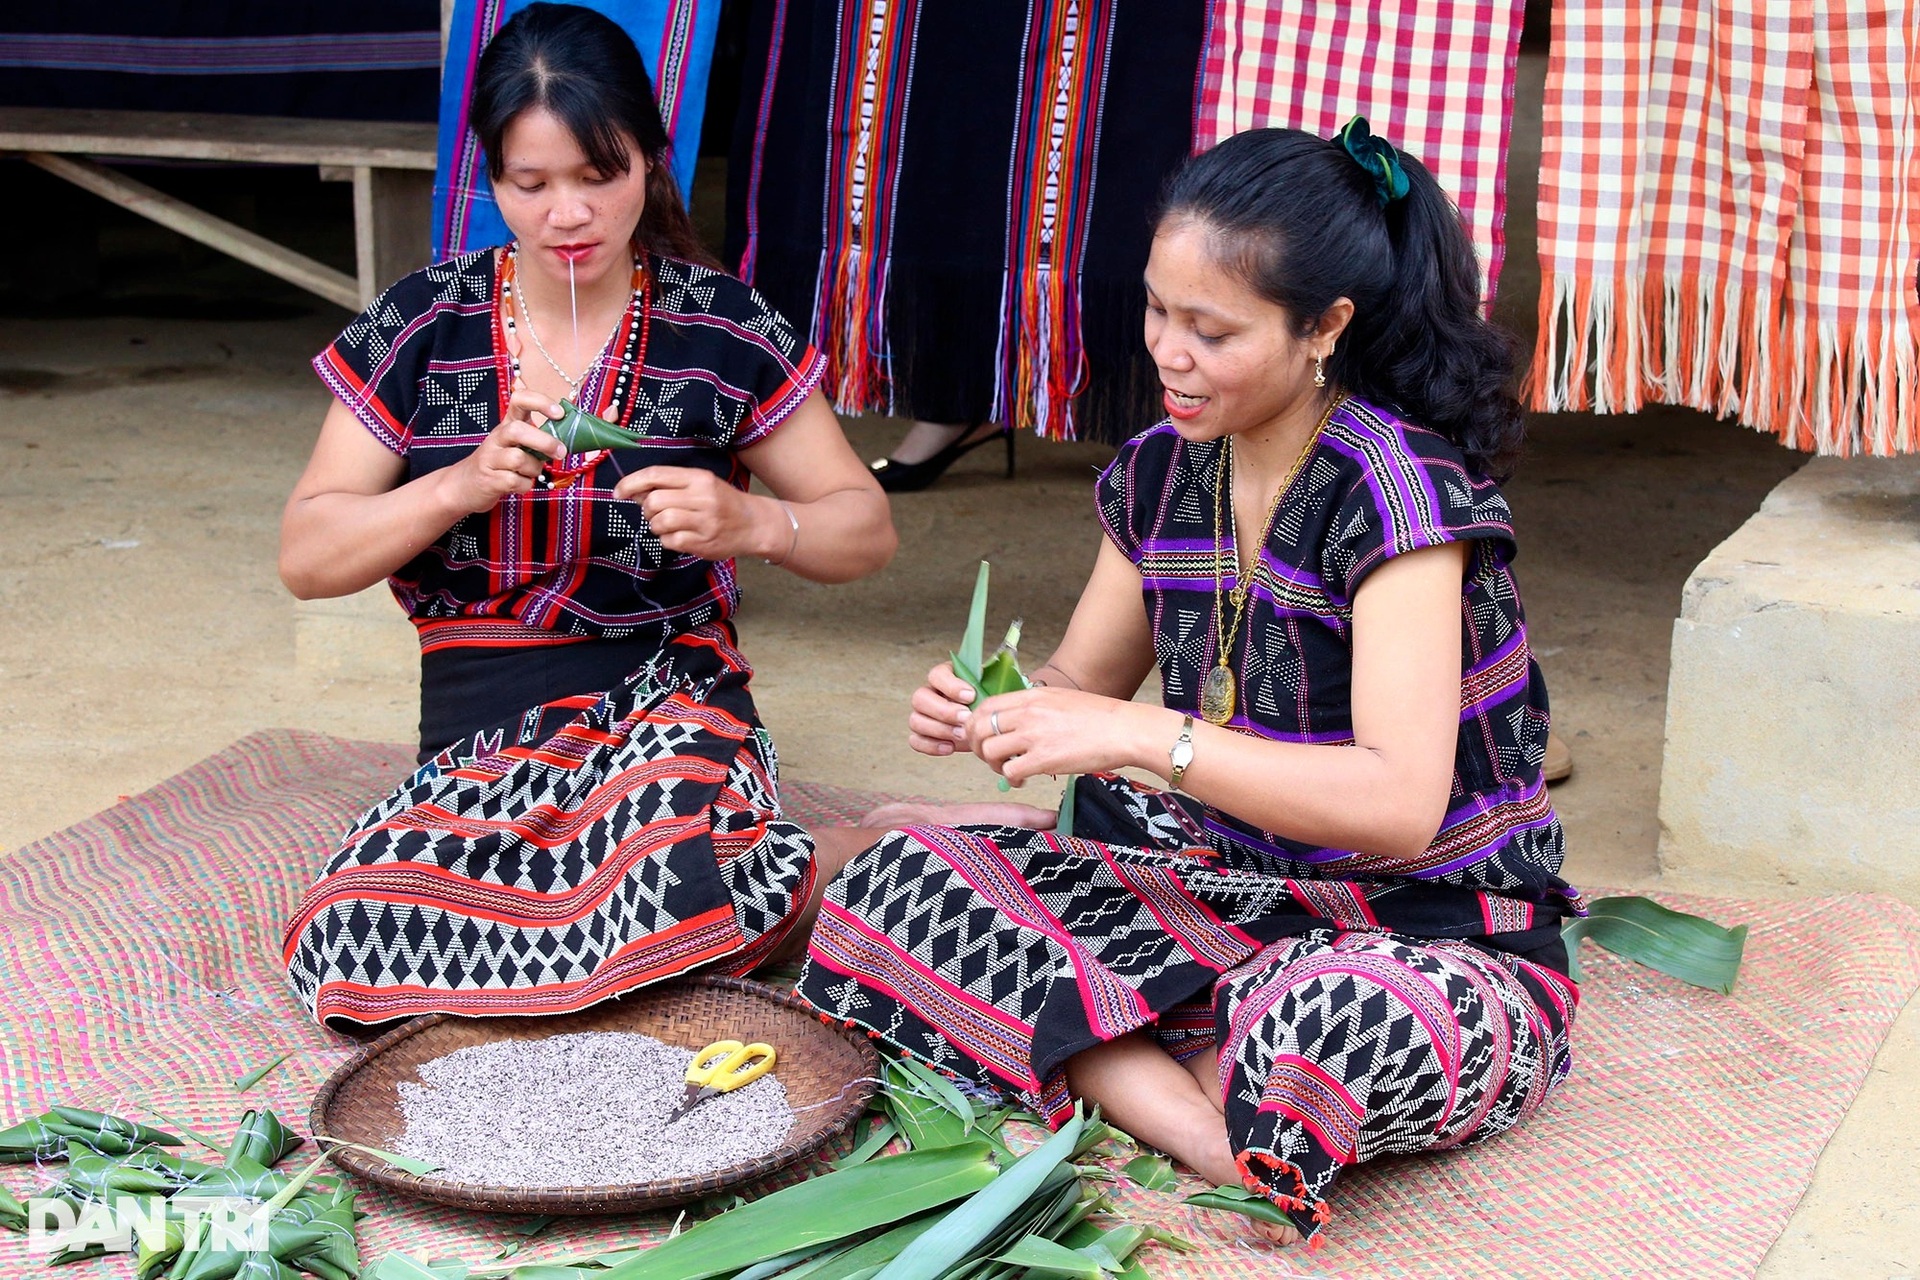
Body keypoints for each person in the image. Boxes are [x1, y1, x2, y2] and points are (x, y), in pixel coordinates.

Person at [795, 121, 1583, 1247]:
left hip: (1434, 925)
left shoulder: (1403, 497)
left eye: (1212, 330)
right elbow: (1079, 677)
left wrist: (1134, 732)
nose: (1169, 351)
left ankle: (1177, 1040)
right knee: (900, 879)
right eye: (1160, 311)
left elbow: (1400, 806)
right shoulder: (1165, 469)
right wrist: (995, 704)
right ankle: (1214, 1133)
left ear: (1325, 329)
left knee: (1324, 1026)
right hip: (1222, 881)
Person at [275, 4, 1037, 1031]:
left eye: (601, 176)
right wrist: (457, 483)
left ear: (651, 157)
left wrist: (752, 522)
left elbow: (865, 527)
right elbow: (308, 556)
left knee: (688, 878)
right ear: (490, 179)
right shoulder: (423, 322)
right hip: (481, 721)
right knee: (354, 929)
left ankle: (864, 841)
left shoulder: (722, 327)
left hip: (671, 695)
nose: (567, 214)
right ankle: (832, 854)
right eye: (530, 185)